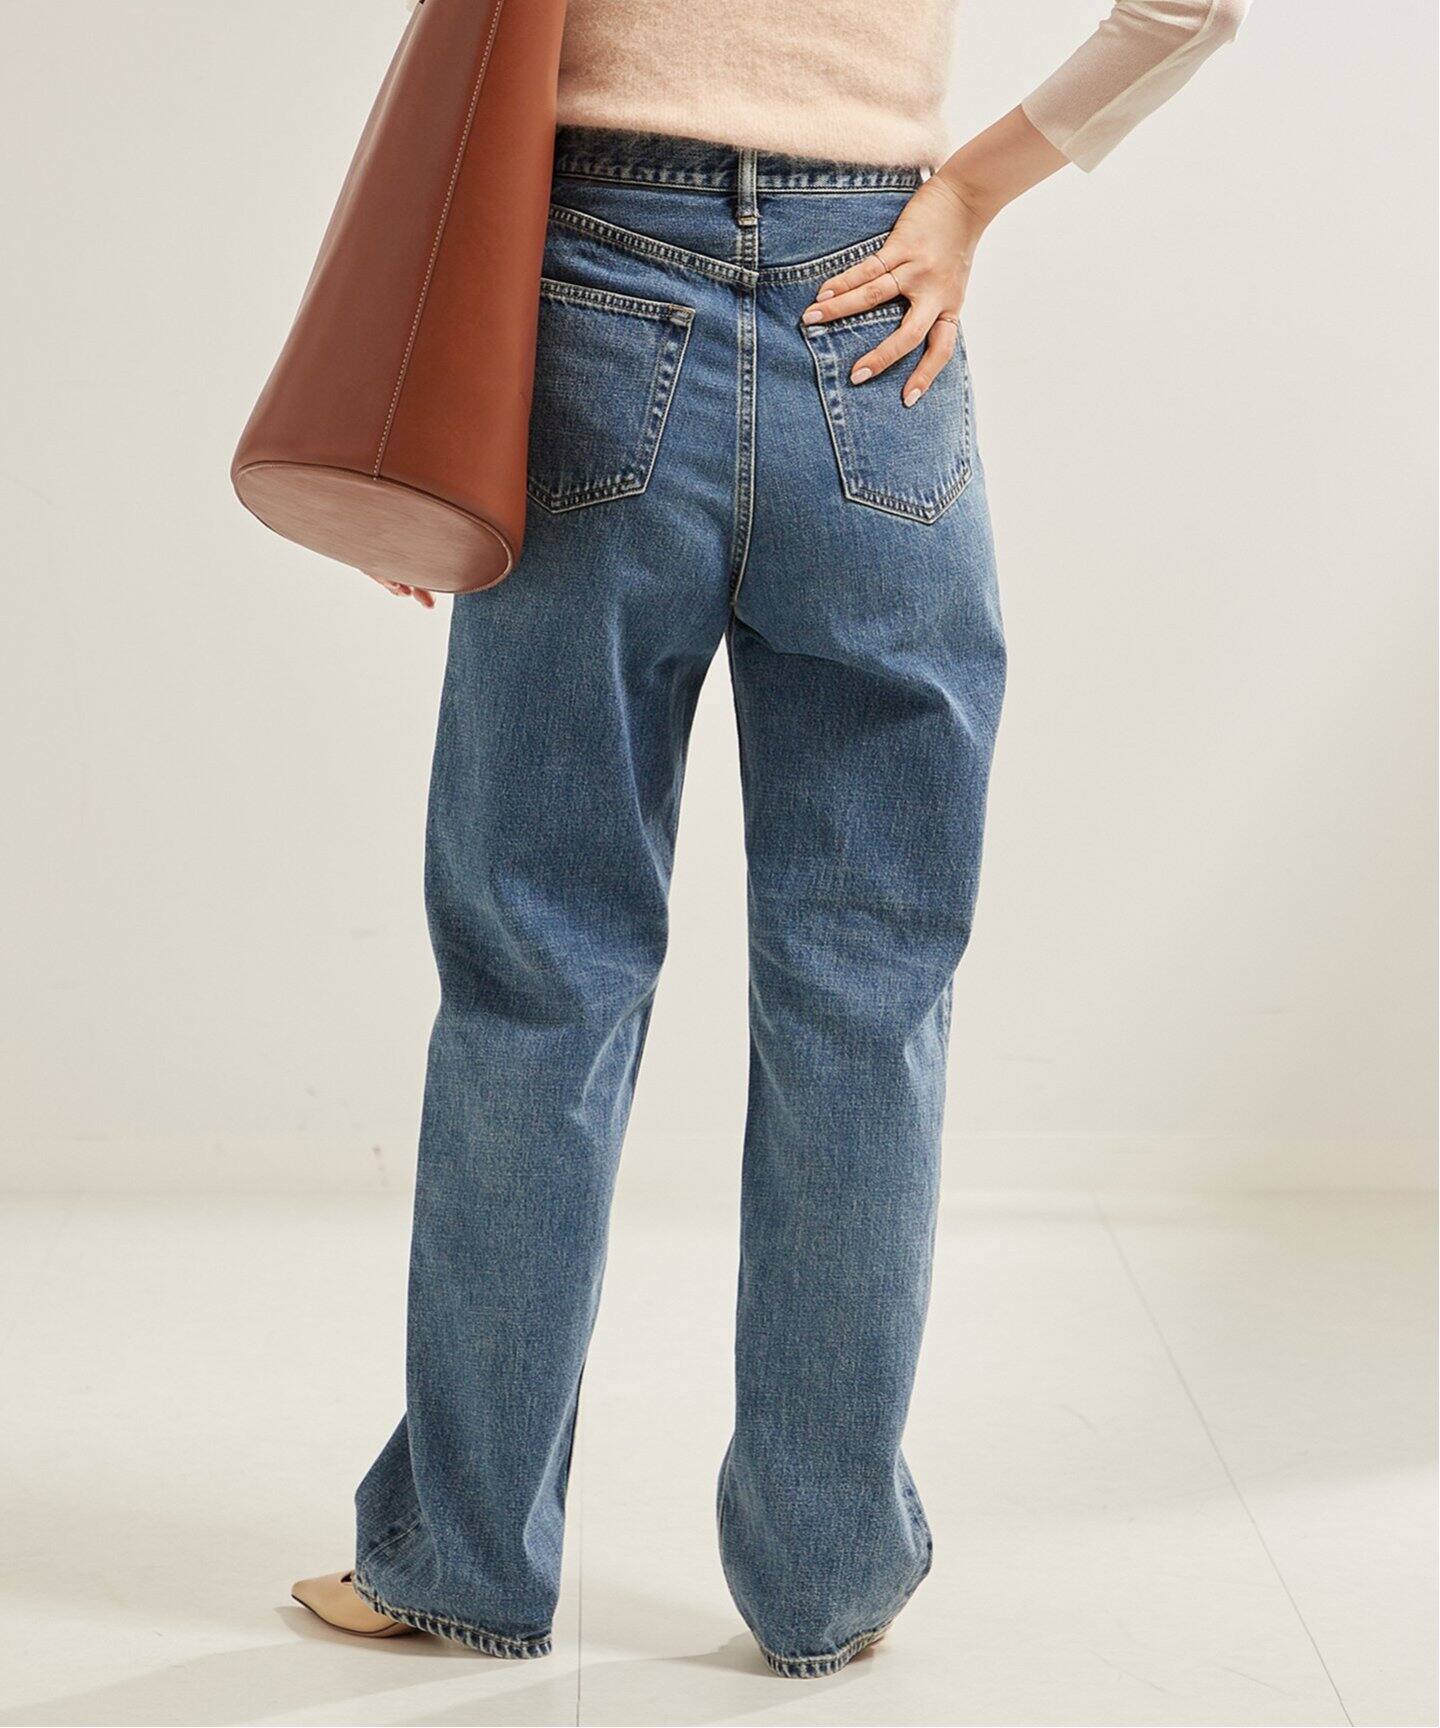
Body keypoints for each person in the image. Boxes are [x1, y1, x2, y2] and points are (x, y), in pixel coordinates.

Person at [291, 0, 1250, 1679]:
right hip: (876, 312)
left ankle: (464, 1558)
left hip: (589, 301)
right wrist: (974, 191)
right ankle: (824, 1578)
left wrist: (428, 391)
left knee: (538, 981)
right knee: (866, 1002)